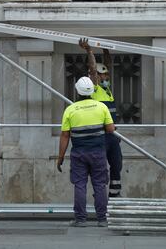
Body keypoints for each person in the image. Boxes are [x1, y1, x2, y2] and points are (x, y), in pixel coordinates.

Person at [57, 76, 115, 227]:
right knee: (100, 185)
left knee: (80, 185)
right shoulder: (102, 107)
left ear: (77, 91)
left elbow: (65, 136)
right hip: (98, 153)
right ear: (91, 91)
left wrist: (60, 157)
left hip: (79, 154)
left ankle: (81, 219)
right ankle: (102, 219)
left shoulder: (70, 110)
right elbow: (110, 129)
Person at [78, 38, 123, 198]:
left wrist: (105, 48)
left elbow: (108, 64)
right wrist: (90, 51)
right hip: (101, 136)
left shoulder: (107, 89)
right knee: (100, 169)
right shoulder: (94, 88)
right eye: (101, 75)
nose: (105, 78)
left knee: (117, 165)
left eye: (106, 75)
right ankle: (101, 197)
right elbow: (92, 69)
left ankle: (115, 196)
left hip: (113, 136)